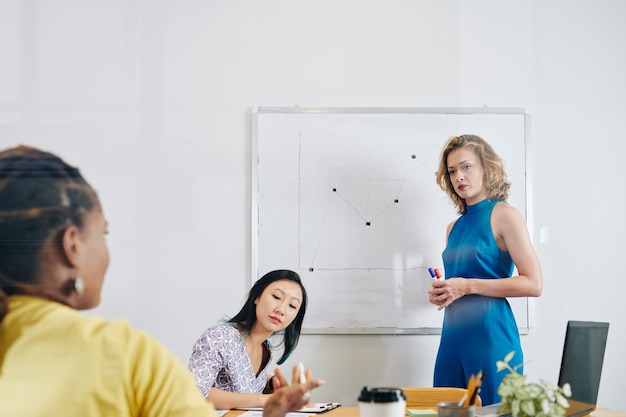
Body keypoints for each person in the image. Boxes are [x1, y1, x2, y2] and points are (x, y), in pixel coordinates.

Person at [0, 145, 323, 417]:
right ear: (72, 246)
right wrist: (266, 408)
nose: (282, 309)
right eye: (103, 234)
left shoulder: (267, 354)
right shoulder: (124, 353)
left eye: (293, 304)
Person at [428, 134, 543, 405]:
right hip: (452, 338)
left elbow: (534, 283)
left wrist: (467, 286)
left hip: (491, 338)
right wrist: (444, 292)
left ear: (486, 168)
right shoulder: (453, 228)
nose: (459, 177)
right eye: (452, 171)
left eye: (466, 167)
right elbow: (458, 283)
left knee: (492, 411)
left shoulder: (505, 215)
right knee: (445, 412)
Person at [188, 269, 307, 410]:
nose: (281, 309)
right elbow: (193, 392)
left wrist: (272, 384)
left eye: (292, 306)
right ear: (256, 297)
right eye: (276, 297)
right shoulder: (219, 337)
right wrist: (262, 399)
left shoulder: (265, 350)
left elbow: (246, 378)